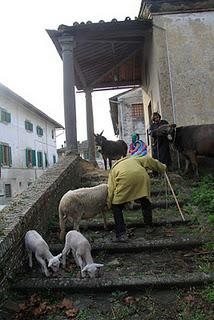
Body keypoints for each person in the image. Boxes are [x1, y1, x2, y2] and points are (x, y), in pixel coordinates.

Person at [107, 155, 167, 241]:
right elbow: (148, 159)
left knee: (116, 207)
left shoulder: (113, 170)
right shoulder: (134, 159)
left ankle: (121, 234)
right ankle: (149, 226)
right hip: (141, 176)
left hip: (124, 178)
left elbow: (111, 188)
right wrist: (162, 167)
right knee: (144, 200)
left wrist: (109, 204)